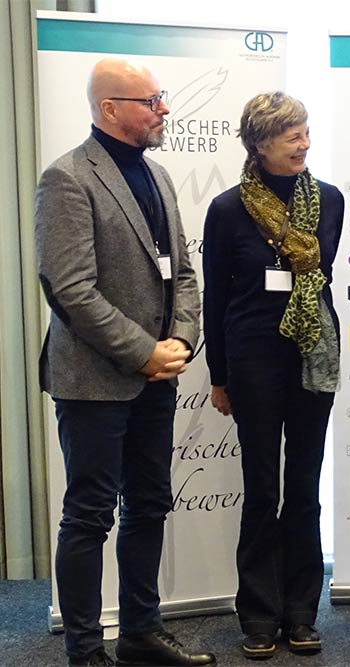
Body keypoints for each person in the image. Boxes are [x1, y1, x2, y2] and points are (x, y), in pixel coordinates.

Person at [34, 58, 213, 667]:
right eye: (151, 101)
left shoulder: (158, 175)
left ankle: (140, 632)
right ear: (110, 109)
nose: (165, 109)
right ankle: (85, 649)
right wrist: (144, 352)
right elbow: (70, 290)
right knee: (89, 515)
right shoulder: (66, 178)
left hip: (158, 377)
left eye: (161, 98)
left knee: (149, 504)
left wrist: (180, 341)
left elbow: (183, 272)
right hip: (94, 381)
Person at [202, 92, 343, 659]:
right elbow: (216, 296)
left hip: (312, 354)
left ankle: (302, 612)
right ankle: (259, 614)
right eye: (292, 136)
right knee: (262, 488)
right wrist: (218, 375)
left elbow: (323, 278)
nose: (305, 144)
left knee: (304, 487)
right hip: (253, 356)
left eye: (306, 132)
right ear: (259, 145)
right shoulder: (227, 209)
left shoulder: (329, 200)